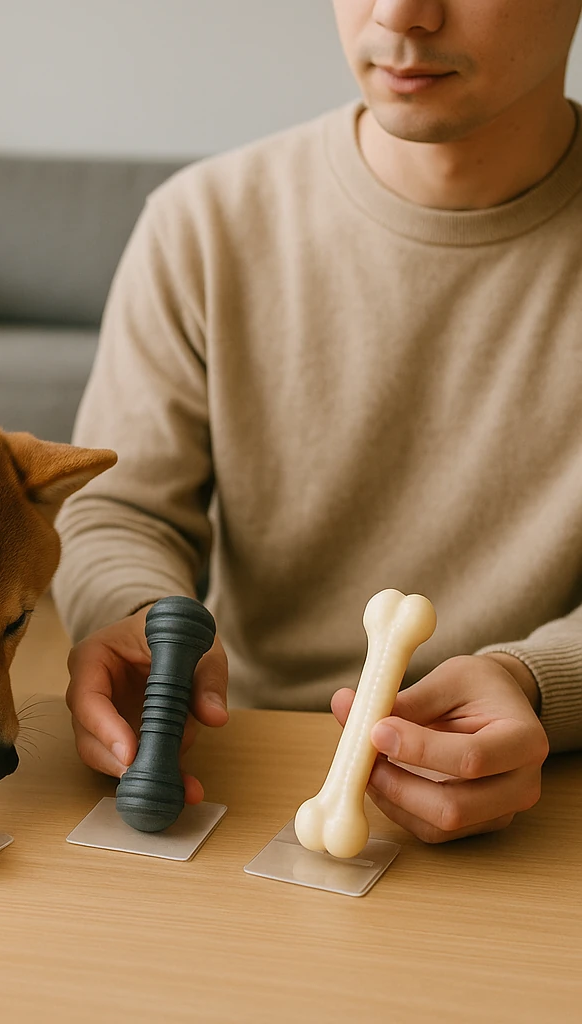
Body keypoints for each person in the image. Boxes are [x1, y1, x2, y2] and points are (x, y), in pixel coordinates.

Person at [53, 0, 582, 844]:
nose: (401, 12)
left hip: (547, 803)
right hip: (237, 765)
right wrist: (147, 626)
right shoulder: (200, 225)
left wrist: (540, 682)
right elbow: (123, 510)